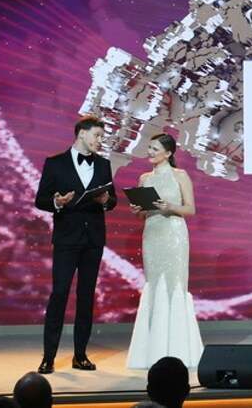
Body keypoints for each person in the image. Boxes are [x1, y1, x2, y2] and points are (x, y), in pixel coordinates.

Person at [34, 116, 117, 374]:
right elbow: (41, 199)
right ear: (81, 133)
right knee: (59, 294)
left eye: (102, 137)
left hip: (93, 240)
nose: (100, 141)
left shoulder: (103, 164)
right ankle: (48, 357)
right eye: (97, 135)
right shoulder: (55, 163)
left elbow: (112, 200)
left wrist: (105, 201)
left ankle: (80, 355)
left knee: (86, 296)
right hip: (67, 239)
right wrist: (57, 202)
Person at [126, 133, 204, 369]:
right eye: (149, 147)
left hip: (174, 234)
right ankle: (152, 351)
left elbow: (190, 209)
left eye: (155, 148)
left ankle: (179, 350)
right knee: (154, 286)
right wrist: (138, 210)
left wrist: (170, 206)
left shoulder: (180, 175)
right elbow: (143, 214)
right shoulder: (144, 178)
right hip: (152, 235)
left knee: (174, 285)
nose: (149, 152)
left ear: (168, 153)